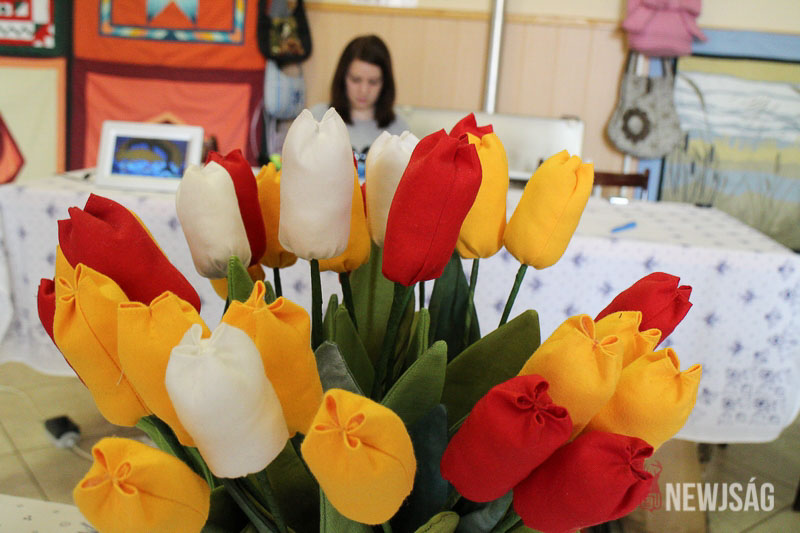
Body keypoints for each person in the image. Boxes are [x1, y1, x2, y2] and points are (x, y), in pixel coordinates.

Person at [311, 35, 408, 178]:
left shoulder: (399, 129)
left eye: (373, 82)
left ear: (385, 83)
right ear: (342, 78)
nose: (363, 90)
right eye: (356, 80)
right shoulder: (318, 119)